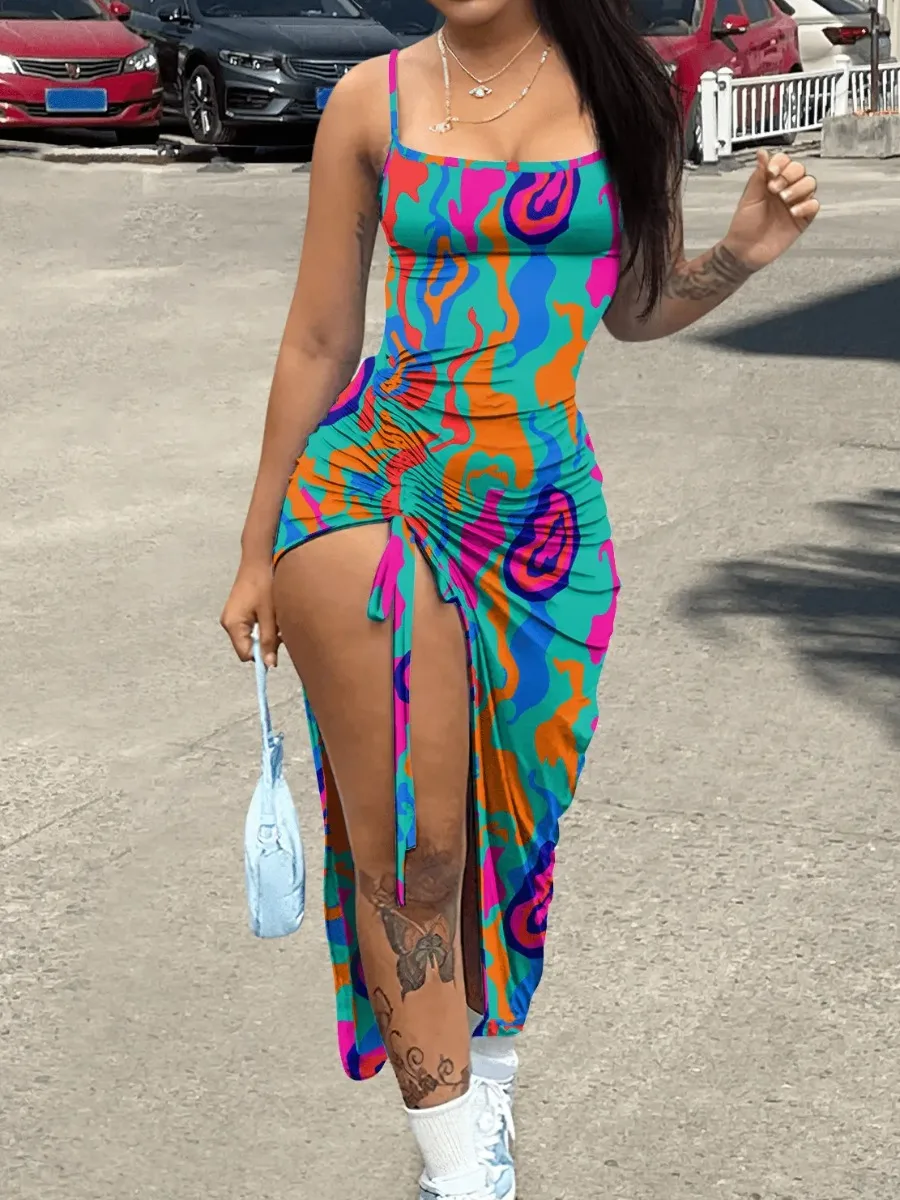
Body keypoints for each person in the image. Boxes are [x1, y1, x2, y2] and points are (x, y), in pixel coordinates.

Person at [220, 1, 820, 1196]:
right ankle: (459, 1165)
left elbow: (634, 308)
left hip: (545, 529)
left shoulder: (629, 96)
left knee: (514, 832)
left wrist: (742, 255)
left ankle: (482, 1074)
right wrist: (253, 550)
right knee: (420, 847)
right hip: (372, 490)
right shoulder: (371, 103)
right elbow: (320, 340)